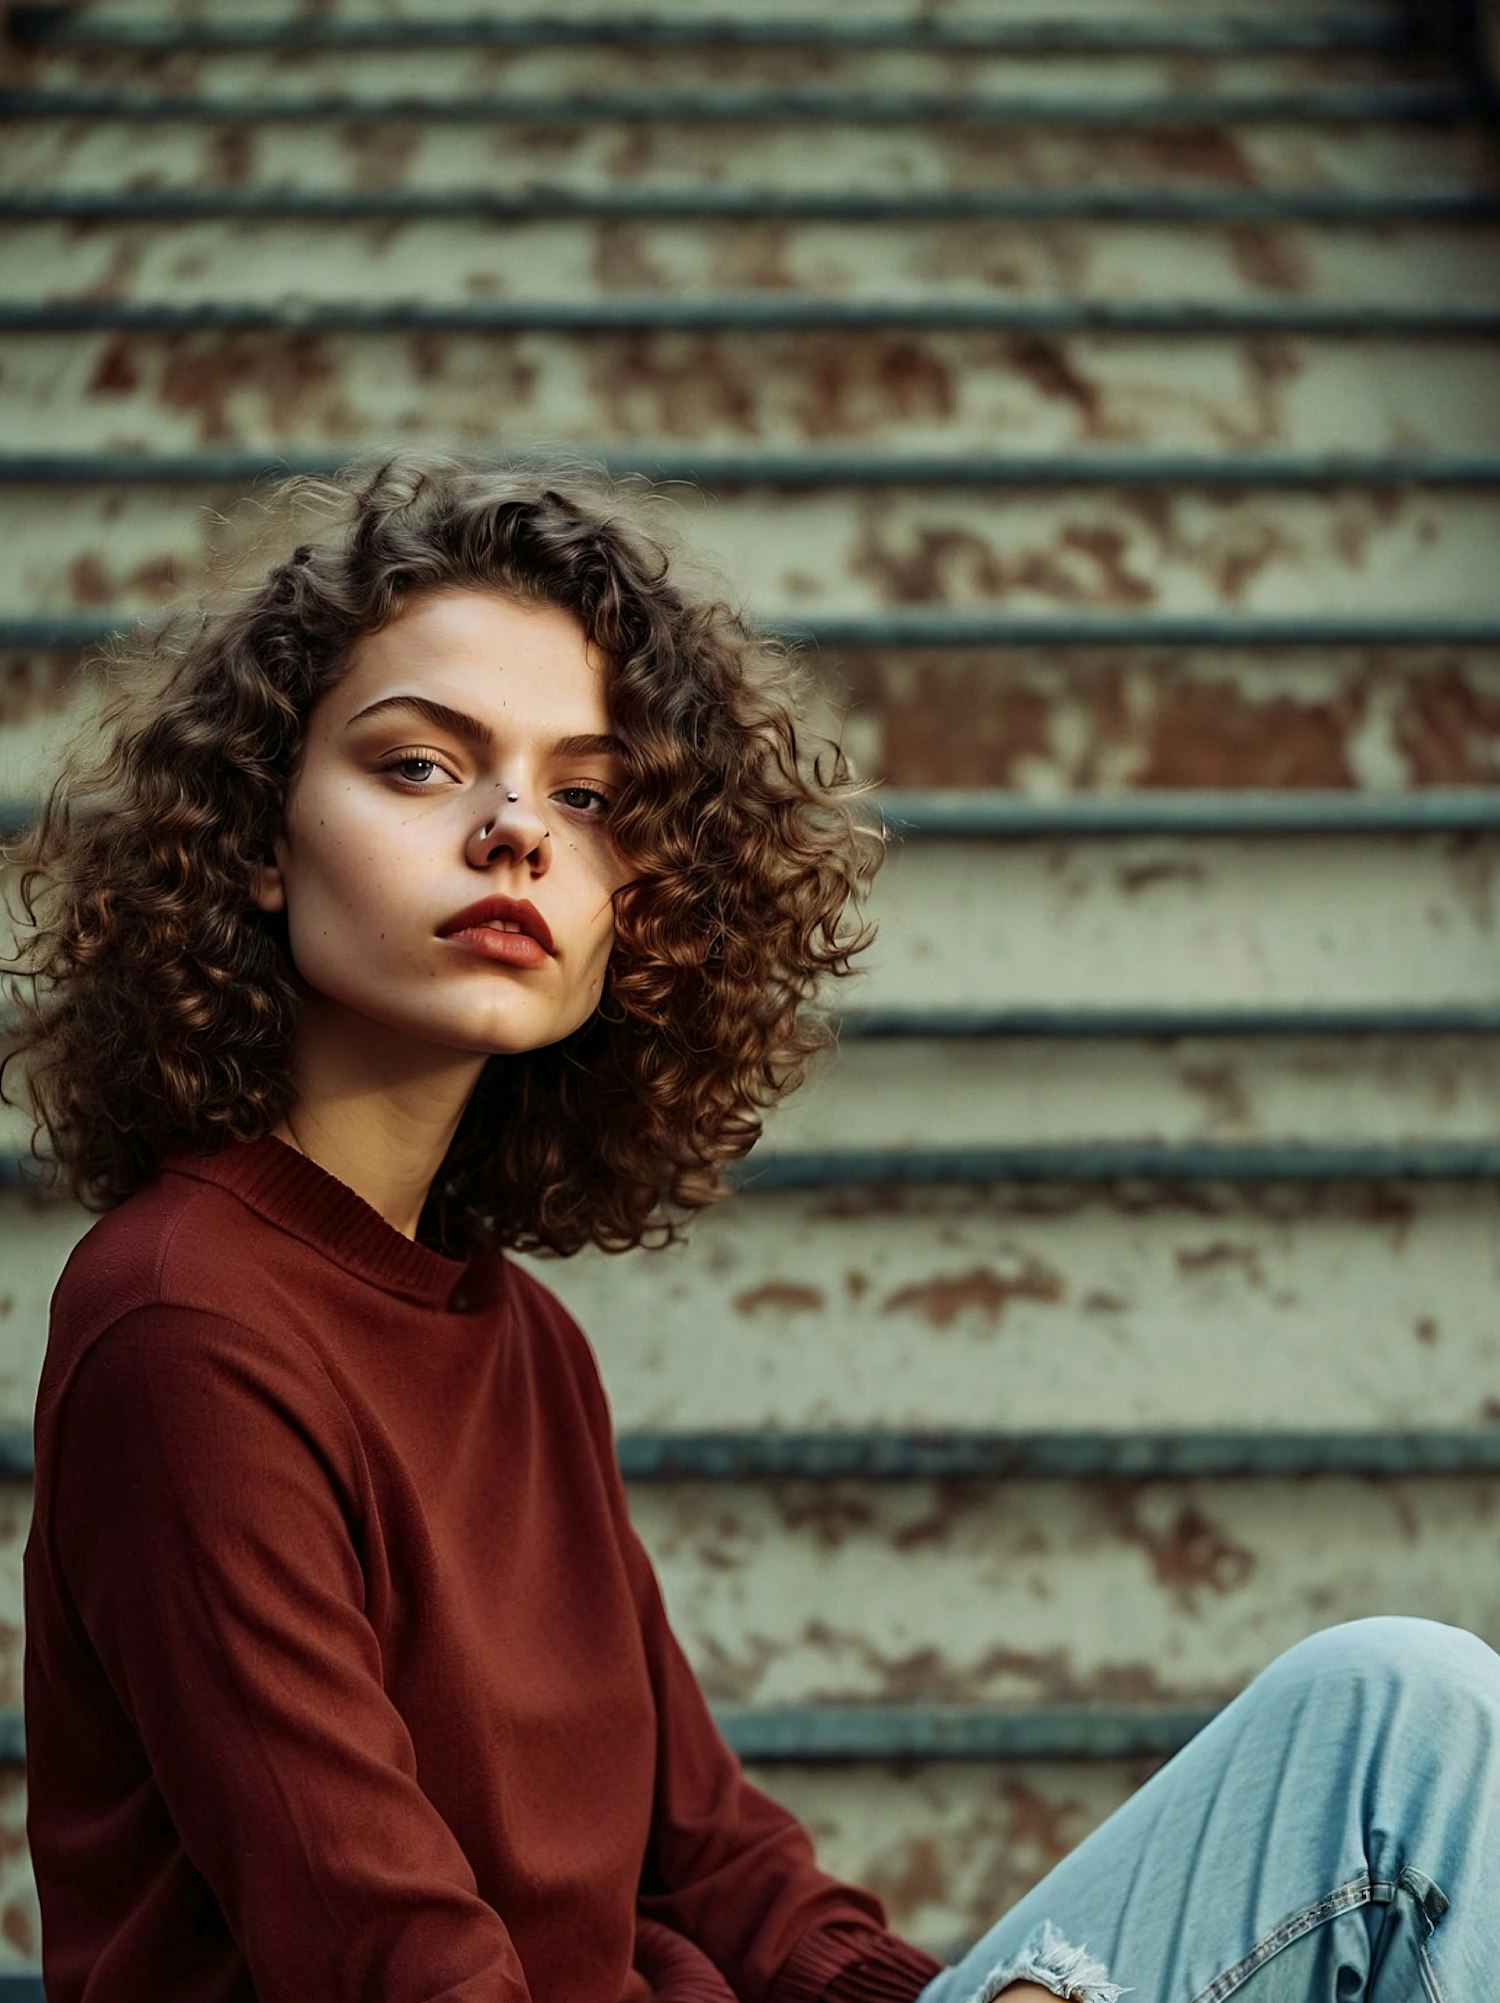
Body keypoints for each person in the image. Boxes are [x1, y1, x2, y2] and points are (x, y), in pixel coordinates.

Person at [4, 453, 1497, 2003]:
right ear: (256, 835)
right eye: (421, 766)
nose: (518, 829)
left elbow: (714, 1862)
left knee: (1403, 1708)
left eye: (587, 796)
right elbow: (389, 1963)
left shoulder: (519, 1344)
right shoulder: (187, 1328)